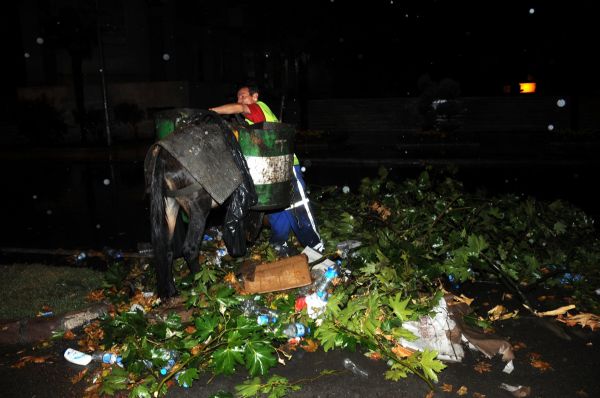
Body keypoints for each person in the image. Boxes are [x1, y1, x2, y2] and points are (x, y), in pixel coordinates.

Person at [210, 85, 324, 256]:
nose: (239, 101)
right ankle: (279, 243)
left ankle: (315, 246)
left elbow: (239, 108)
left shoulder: (259, 108)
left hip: (286, 166)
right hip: (269, 171)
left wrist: (212, 111)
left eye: (243, 96)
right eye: (238, 97)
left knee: (298, 205)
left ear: (255, 96)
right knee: (276, 209)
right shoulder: (250, 123)